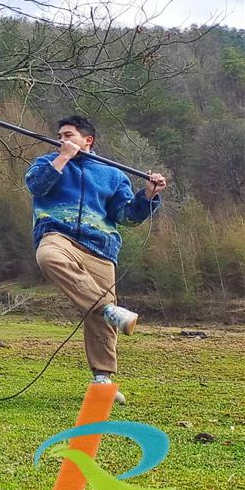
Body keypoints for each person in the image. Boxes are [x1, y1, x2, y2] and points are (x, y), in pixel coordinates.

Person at [26, 115, 166, 403]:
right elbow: (36, 187)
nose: (61, 139)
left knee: (98, 319)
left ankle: (103, 380)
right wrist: (62, 159)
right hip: (57, 234)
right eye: (60, 135)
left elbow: (126, 216)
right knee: (48, 257)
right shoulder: (47, 163)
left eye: (68, 135)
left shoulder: (112, 174)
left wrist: (149, 196)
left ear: (87, 140)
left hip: (101, 248)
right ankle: (109, 310)